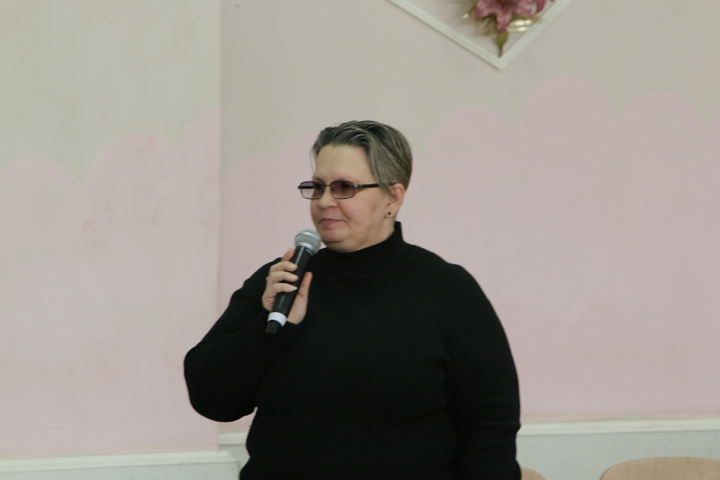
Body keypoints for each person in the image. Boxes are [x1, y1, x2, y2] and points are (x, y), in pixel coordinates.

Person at [184, 120, 521, 480]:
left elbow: (490, 426)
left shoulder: (447, 290)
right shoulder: (283, 281)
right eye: (317, 187)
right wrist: (265, 329)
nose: (324, 201)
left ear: (393, 197)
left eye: (344, 187)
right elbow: (211, 399)